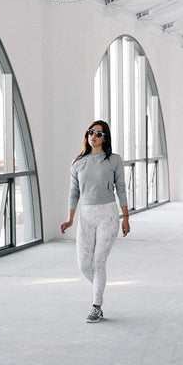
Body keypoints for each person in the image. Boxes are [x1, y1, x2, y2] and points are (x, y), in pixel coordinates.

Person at [60, 120, 130, 322]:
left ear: (105, 138)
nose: (94, 136)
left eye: (98, 134)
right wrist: (70, 219)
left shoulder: (114, 160)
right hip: (86, 215)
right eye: (91, 132)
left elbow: (122, 189)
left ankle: (96, 306)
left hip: (108, 214)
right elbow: (73, 193)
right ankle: (100, 288)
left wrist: (125, 217)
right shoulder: (78, 162)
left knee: (99, 262)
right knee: (84, 265)